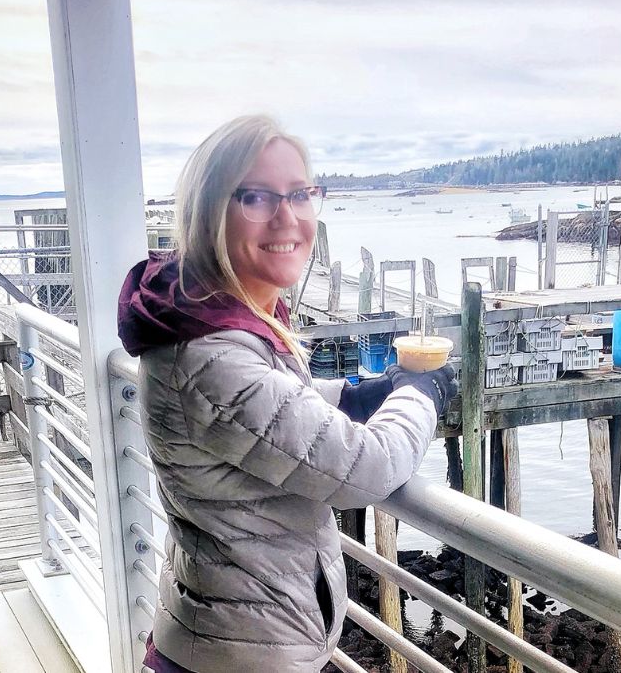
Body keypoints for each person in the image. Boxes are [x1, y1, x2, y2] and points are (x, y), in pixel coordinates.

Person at [117, 114, 457, 672]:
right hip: (243, 653)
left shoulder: (206, 315)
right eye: (256, 196)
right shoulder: (209, 355)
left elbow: (272, 408)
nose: (288, 216)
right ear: (208, 212)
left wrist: (356, 395)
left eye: (300, 193)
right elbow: (367, 469)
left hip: (229, 635)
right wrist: (421, 392)